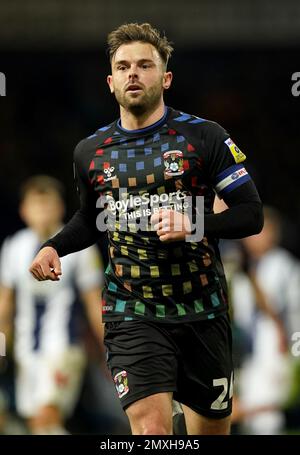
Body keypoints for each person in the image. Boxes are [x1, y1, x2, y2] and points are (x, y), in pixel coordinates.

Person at [29, 23, 263, 435]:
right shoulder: (91, 152)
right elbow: (90, 218)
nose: (132, 73)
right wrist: (53, 247)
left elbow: (251, 214)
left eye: (143, 65)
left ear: (166, 78)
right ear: (110, 81)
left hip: (202, 311)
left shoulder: (204, 137)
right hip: (131, 311)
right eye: (122, 67)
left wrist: (194, 224)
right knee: (151, 432)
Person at [0, 175, 105, 434]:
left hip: (64, 349)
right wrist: (1, 350)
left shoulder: (79, 248)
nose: (43, 211)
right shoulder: (14, 247)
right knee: (38, 423)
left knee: (48, 416)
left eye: (49, 204)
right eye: (37, 205)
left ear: (61, 208)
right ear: (24, 210)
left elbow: (95, 304)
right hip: (27, 352)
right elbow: (5, 307)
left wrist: (111, 348)